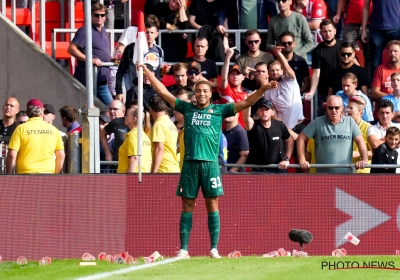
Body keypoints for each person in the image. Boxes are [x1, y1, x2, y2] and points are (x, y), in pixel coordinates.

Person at [138, 62, 278, 258]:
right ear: (194, 94)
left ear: (210, 93)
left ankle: (214, 248)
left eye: (205, 90)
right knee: (187, 206)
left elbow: (246, 103)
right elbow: (163, 93)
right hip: (190, 164)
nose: (202, 94)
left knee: (212, 205)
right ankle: (184, 249)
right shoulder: (187, 108)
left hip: (211, 165)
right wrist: (146, 72)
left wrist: (263, 89)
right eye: (198, 91)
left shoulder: (219, 110)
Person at [297, 95, 368, 173]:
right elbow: (300, 138)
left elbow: (360, 141)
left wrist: (364, 159)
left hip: (345, 176)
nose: (334, 110)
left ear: (342, 108)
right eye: (330, 108)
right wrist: (302, 160)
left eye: (336, 108)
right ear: (327, 108)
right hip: (323, 177)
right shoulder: (318, 122)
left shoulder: (350, 122)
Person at [67, 3, 113, 106]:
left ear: (105, 17)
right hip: (88, 80)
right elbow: (71, 49)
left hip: (101, 80)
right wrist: (91, 60)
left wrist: (110, 59)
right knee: (107, 109)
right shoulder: (85, 30)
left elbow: (99, 51)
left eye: (102, 15)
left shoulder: (104, 30)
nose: (99, 18)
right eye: (96, 15)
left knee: (109, 110)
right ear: (91, 15)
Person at [6, 99, 65, 174]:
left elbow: (12, 155)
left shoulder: (20, 129)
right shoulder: (54, 130)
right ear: (42, 111)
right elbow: (61, 155)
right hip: (48, 174)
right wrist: (56, 175)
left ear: (27, 112)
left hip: (25, 174)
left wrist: (9, 175)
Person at [115, 20, 166, 101]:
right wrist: (119, 91)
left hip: (152, 91)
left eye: (152, 32)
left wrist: (164, 71)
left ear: (157, 34)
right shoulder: (132, 48)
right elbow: (121, 71)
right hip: (134, 90)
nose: (149, 35)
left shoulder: (159, 50)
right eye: (147, 32)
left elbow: (159, 74)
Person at [244, 99, 294, 173]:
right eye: (261, 109)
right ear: (258, 112)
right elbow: (246, 118)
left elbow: (290, 140)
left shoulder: (279, 125)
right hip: (257, 170)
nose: (264, 112)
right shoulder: (253, 125)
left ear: (272, 112)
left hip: (278, 169)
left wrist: (286, 159)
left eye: (267, 109)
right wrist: (249, 100)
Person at [307, 19, 344, 116]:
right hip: (324, 90)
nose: (328, 34)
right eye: (325, 31)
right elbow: (316, 73)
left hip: (343, 89)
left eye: (330, 31)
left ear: (335, 31)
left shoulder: (343, 46)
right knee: (323, 118)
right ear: (321, 32)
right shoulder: (318, 51)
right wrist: (312, 92)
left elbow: (354, 65)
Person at [264, 50, 304, 135]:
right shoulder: (267, 91)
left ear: (282, 71)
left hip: (299, 126)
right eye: (272, 70)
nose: (275, 72)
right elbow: (272, 113)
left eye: (277, 70)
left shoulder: (289, 80)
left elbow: (288, 69)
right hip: (283, 129)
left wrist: (279, 54)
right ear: (268, 73)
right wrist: (285, 129)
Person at [361, 0, 400, 81]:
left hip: (395, 28)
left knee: (397, 60)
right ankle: (375, 90)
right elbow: (366, 7)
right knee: (375, 63)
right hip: (376, 29)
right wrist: (363, 30)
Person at [333, 0, 372, 79]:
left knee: (369, 55)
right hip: (351, 23)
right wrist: (338, 14)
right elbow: (342, 1)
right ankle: (351, 78)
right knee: (345, 51)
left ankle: (367, 81)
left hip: (369, 24)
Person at [149, 95, 180, 173]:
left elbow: (159, 149)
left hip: (163, 169)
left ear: (151, 110)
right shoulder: (171, 124)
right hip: (173, 167)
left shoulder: (159, 124)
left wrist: (153, 173)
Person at [371, 40, 400, 119]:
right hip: (384, 113)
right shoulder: (381, 69)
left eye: (395, 51)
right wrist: (392, 99)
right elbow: (374, 93)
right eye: (390, 51)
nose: (392, 53)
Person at [117, 108, 152, 173]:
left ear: (134, 119)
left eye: (127, 115)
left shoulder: (134, 135)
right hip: (143, 176)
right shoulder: (145, 136)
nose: (125, 117)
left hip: (133, 178)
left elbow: (135, 157)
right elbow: (149, 161)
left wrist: (129, 179)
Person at [219, 48, 247, 127]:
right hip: (225, 130)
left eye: (238, 74)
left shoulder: (246, 95)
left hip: (241, 130)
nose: (235, 76)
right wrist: (227, 57)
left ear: (243, 77)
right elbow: (223, 78)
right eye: (232, 74)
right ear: (228, 76)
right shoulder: (226, 90)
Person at [346, 95, 373, 173]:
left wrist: (357, 154)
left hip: (363, 173)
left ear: (361, 112)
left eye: (351, 108)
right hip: (345, 172)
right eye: (347, 107)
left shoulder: (369, 128)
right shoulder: (342, 127)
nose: (347, 110)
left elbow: (375, 152)